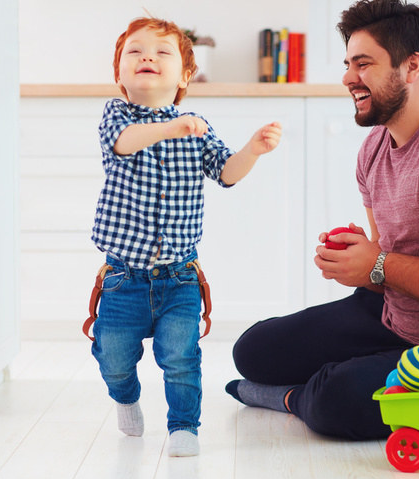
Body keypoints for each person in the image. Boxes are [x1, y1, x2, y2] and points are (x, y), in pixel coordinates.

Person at [226, 0, 419, 440]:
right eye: (349, 63)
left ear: (411, 67)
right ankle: (327, 383)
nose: (349, 77)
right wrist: (358, 260)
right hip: (399, 318)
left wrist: (377, 263)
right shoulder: (373, 149)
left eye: (363, 63)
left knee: (336, 399)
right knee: (253, 350)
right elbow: (387, 267)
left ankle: (294, 397)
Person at [89, 16, 282, 456]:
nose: (147, 58)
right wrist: (170, 128)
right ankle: (124, 397)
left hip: (179, 278)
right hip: (122, 278)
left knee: (181, 358)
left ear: (184, 75)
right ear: (119, 71)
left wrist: (251, 150)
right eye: (135, 52)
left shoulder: (197, 126)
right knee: (113, 358)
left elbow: (226, 173)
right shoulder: (116, 115)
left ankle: (184, 427)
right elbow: (125, 142)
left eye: (161, 53)